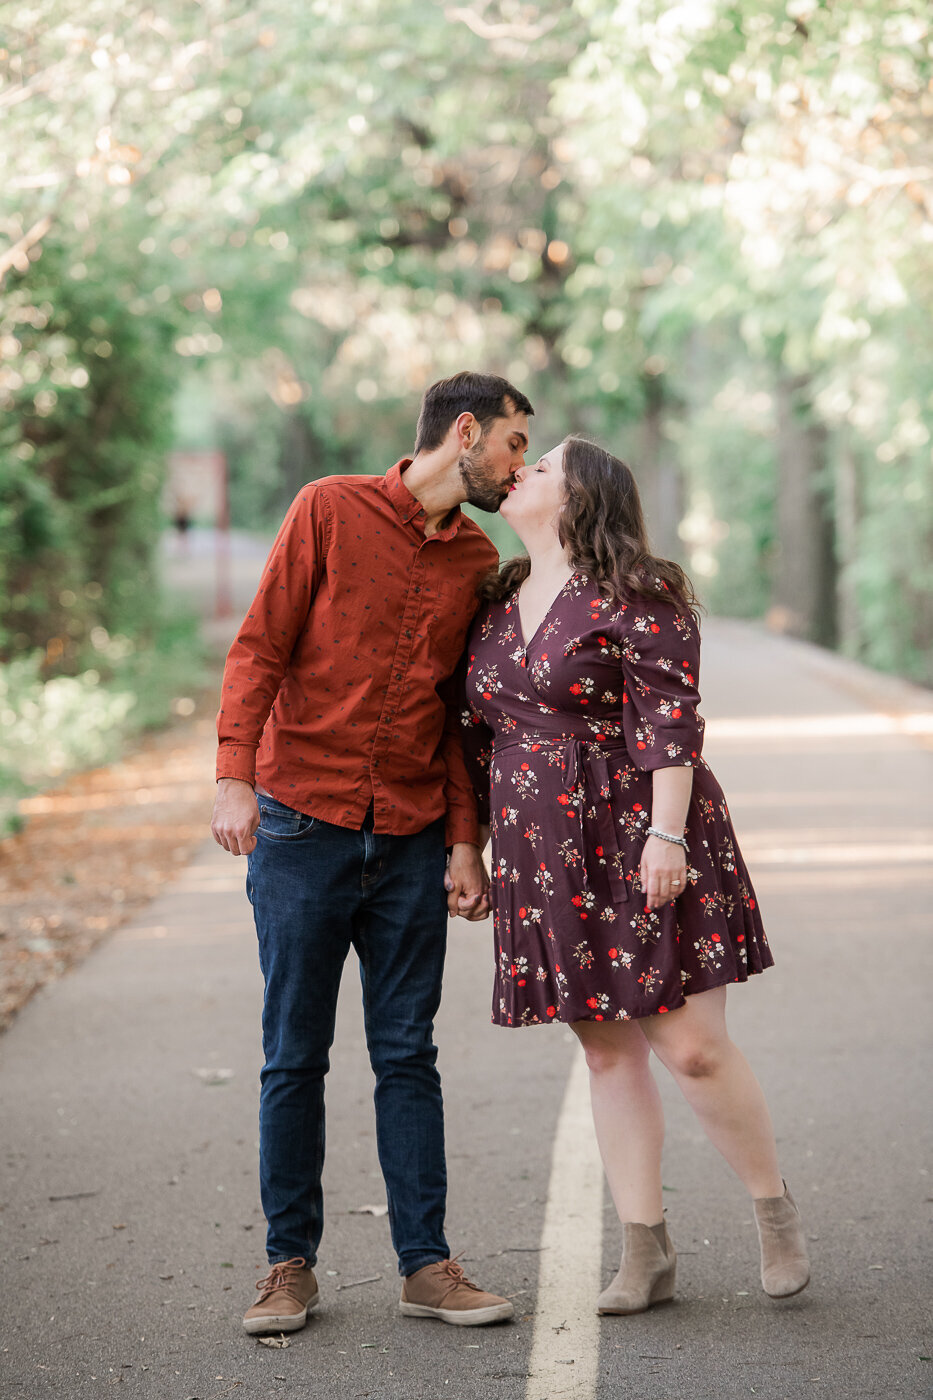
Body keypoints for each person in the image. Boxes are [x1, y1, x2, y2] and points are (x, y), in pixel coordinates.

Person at [210, 371, 533, 1333]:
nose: (521, 467)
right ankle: (287, 1266)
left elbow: (457, 721)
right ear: (464, 432)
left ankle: (425, 1266)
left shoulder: (477, 558)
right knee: (291, 1056)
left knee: (407, 1055)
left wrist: (465, 842)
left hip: (408, 840)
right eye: (515, 443)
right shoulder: (328, 509)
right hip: (300, 823)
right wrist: (234, 773)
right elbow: (260, 644)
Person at [459, 435, 810, 1314]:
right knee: (606, 1051)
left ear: (580, 499)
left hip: (637, 830)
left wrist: (666, 836)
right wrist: (466, 847)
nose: (520, 470)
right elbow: (474, 738)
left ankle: (772, 1213)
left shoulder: (639, 592)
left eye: (541, 466)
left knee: (689, 1047)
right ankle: (643, 1252)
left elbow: (669, 721)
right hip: (540, 847)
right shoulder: (495, 602)